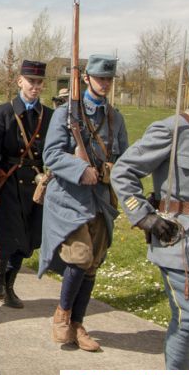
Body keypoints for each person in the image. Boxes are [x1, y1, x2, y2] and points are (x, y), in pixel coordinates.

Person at [111, 53, 189, 375]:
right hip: (181, 238)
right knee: (188, 319)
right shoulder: (172, 129)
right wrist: (145, 216)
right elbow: (123, 172)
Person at [38, 54, 128, 352]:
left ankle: (78, 323)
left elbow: (123, 159)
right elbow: (51, 154)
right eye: (100, 78)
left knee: (92, 264)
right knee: (79, 257)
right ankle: (62, 315)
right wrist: (81, 169)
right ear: (86, 78)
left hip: (101, 199)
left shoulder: (116, 118)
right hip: (69, 199)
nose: (104, 84)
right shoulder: (67, 114)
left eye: (108, 79)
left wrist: (114, 169)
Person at [0, 60, 53, 307]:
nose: (35, 87)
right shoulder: (3, 112)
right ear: (20, 81)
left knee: (27, 238)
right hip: (9, 182)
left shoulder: (49, 116)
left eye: (39, 83)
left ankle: (10, 284)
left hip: (36, 186)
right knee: (8, 235)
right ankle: (0, 280)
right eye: (30, 82)